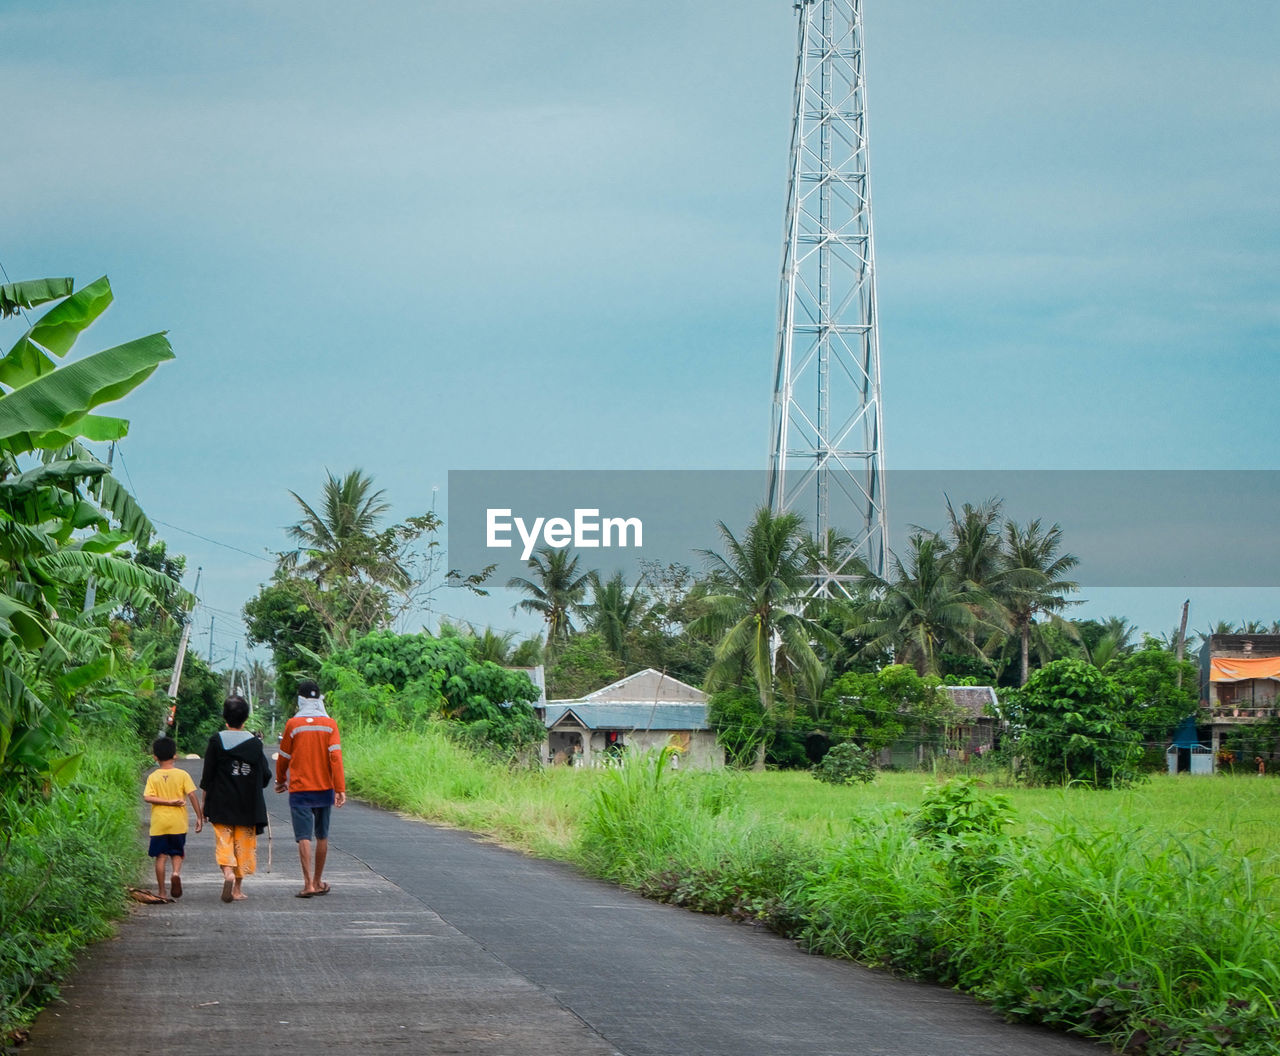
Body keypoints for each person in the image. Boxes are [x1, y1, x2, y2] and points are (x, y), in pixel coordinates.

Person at [275, 679, 345, 898]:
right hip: (324, 787)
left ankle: (308, 885)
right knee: (322, 835)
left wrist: (280, 780)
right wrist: (340, 787)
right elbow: (335, 756)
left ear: (301, 699)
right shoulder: (330, 724)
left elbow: (284, 756)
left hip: (300, 789)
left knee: (303, 836)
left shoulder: (293, 725)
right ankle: (317, 880)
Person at [200, 695, 271, 903]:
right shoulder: (255, 744)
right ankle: (237, 889)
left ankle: (228, 873)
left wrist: (204, 803)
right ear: (246, 718)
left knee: (224, 842)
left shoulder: (216, 740)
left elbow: (208, 776)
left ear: (225, 717)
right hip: (248, 806)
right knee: (243, 846)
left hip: (221, 803)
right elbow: (265, 775)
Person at [143, 736, 204, 900]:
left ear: (155, 757)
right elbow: (192, 795)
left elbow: (147, 797)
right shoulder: (182, 775)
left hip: (159, 824)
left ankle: (162, 892)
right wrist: (199, 817)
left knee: (160, 857)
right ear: (175, 755)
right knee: (177, 854)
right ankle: (176, 873)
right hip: (178, 824)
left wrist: (166, 802)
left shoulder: (153, 777)